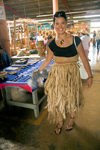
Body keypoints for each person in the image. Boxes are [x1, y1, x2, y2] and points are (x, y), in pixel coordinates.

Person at [38, 11, 93, 135]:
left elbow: (84, 59)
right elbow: (48, 60)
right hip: (57, 75)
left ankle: (72, 120)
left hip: (71, 75)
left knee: (72, 99)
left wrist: (90, 76)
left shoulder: (75, 40)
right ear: (54, 25)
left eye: (62, 23)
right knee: (58, 100)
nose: (60, 26)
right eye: (57, 23)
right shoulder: (51, 44)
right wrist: (39, 70)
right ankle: (60, 122)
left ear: (66, 24)